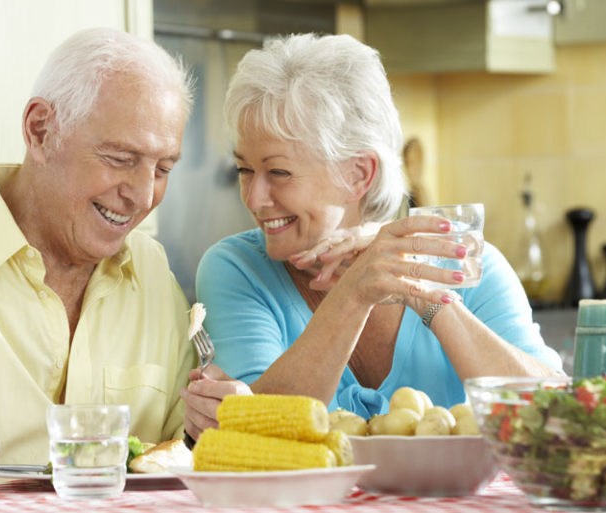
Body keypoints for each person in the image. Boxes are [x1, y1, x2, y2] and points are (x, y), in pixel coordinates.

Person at [181, 33, 563, 441]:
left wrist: (428, 297)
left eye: (278, 172)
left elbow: (557, 418)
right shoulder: (236, 269)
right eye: (244, 170)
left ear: (358, 175)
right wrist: (354, 294)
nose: (254, 198)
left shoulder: (464, 263)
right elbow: (261, 433)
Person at [0, 28, 197, 498]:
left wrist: (211, 422)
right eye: (119, 158)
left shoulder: (152, 269)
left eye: (164, 168)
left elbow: (184, 453)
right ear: (40, 130)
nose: (143, 194)